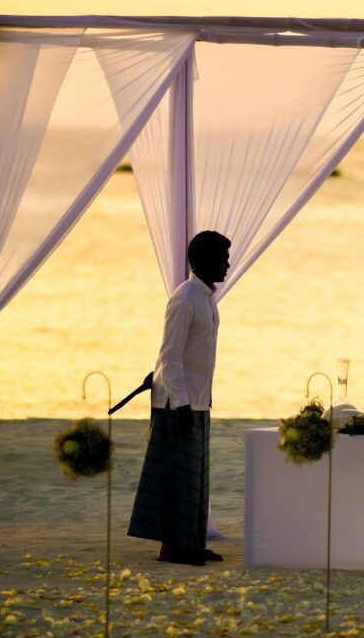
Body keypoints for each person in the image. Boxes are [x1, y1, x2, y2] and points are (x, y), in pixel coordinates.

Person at [127, 230, 231, 566]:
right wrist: (182, 403)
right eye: (222, 258)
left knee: (196, 478)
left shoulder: (206, 298)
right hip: (177, 403)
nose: (227, 264)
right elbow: (169, 356)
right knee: (177, 477)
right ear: (202, 261)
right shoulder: (184, 299)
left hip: (197, 401)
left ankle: (192, 544)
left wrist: (199, 400)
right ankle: (172, 548)